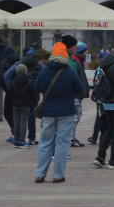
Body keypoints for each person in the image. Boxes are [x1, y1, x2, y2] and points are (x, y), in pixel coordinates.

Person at [34, 42, 85, 183]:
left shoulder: (44, 71)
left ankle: (39, 173)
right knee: (62, 143)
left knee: (45, 142)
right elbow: (80, 89)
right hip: (66, 111)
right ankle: (58, 175)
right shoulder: (69, 72)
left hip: (48, 112)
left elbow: (36, 87)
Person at [9, 62, 37, 148]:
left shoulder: (13, 82)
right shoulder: (28, 82)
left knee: (16, 122)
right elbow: (33, 94)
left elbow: (10, 94)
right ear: (25, 71)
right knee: (23, 122)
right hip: (25, 105)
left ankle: (16, 140)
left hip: (15, 105)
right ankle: (21, 140)